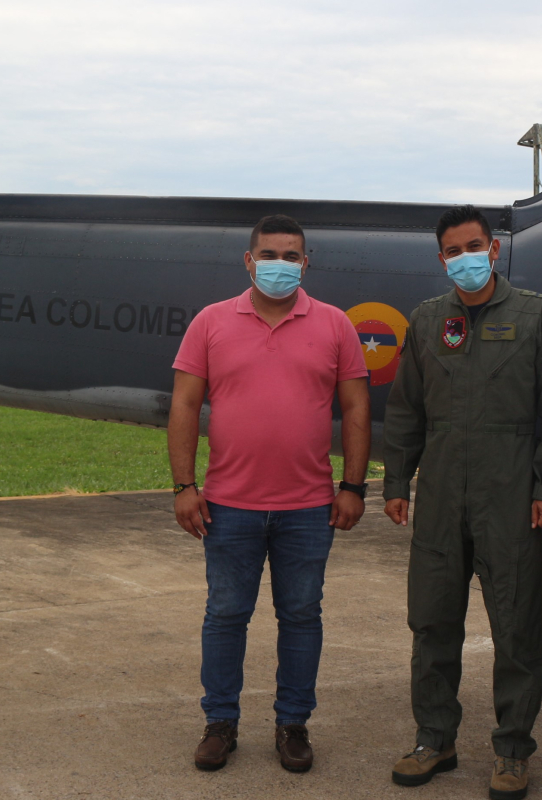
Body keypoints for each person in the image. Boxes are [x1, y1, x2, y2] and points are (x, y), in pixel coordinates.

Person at [382, 205, 542, 800]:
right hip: (441, 494)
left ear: (493, 249)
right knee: (432, 622)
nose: (464, 258)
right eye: (452, 250)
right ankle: (434, 739)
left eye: (474, 246)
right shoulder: (426, 321)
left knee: (517, 628)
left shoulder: (536, 314)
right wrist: (396, 482)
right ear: (441, 258)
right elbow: (405, 409)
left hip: (511, 495)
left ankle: (513, 751)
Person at [168, 214, 371, 774]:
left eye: (291, 256)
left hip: (308, 506)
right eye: (268, 254)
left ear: (306, 263)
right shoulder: (211, 322)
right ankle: (220, 722)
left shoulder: (334, 325)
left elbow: (355, 408)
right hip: (228, 503)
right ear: (248, 260)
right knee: (226, 614)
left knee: (302, 615)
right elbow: (184, 405)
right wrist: (185, 485)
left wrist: (353, 486)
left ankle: (292, 724)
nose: (279, 265)